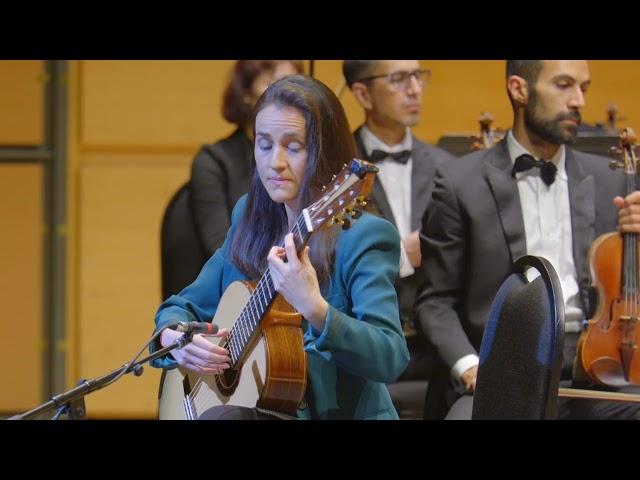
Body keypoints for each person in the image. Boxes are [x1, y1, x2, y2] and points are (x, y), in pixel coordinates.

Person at [151, 74, 410, 420]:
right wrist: (175, 339)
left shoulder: (365, 238)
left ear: (324, 152)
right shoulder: (250, 218)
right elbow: (182, 305)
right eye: (264, 144)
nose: (275, 162)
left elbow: (390, 356)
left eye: (293, 146)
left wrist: (315, 308)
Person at [417, 60, 640, 420]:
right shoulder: (459, 183)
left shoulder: (609, 181)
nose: (579, 100)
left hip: (595, 372)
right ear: (518, 89)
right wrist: (469, 365)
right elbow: (434, 301)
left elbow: (627, 289)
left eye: (584, 87)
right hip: (500, 369)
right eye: (564, 85)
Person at [342, 60, 455, 389]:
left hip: (436, 350)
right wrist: (401, 256)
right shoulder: (334, 170)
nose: (415, 89)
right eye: (399, 79)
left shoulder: (448, 167)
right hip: (362, 349)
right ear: (363, 93)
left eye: (418, 76)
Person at [191, 60, 303, 256]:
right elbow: (219, 246)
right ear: (246, 94)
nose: (287, 95)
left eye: (295, 84)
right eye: (274, 84)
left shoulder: (310, 154)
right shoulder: (213, 161)